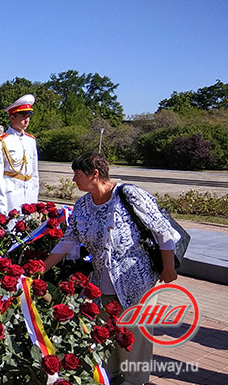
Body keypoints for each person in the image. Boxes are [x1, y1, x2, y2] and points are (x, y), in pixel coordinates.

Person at [44, 153, 179, 385]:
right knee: (107, 332)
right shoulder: (83, 205)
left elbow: (163, 231)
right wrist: (41, 268)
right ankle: (111, 376)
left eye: (77, 175)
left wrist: (168, 268)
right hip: (101, 282)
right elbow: (68, 241)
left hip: (138, 281)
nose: (74, 180)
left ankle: (136, 380)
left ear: (94, 174)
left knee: (135, 335)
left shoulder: (129, 195)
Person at [0, 94, 39, 214]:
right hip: (10, 198)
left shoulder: (30, 140)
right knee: (11, 231)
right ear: (12, 118)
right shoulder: (1, 142)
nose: (27, 120)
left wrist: (35, 198)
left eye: (28, 116)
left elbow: (34, 173)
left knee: (29, 231)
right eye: (23, 116)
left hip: (29, 197)